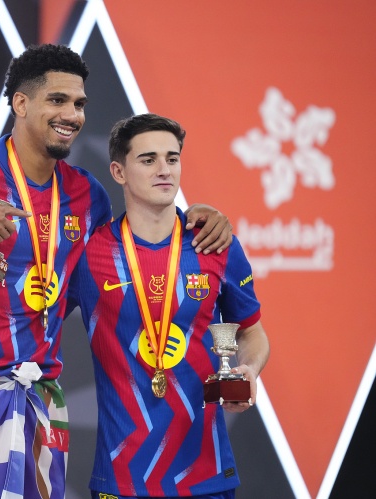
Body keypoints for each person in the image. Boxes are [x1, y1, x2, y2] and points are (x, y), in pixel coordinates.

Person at [0, 44, 231, 499]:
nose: (72, 114)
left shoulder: (88, 195)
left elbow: (103, 275)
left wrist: (199, 219)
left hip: (41, 394)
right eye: (58, 100)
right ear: (21, 103)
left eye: (79, 103)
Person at [67, 114, 270, 499]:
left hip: (205, 474)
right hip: (123, 477)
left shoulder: (215, 245)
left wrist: (249, 369)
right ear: (119, 171)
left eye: (172, 158)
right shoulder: (89, 254)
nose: (164, 169)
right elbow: (33, 316)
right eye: (148, 160)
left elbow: (251, 332)